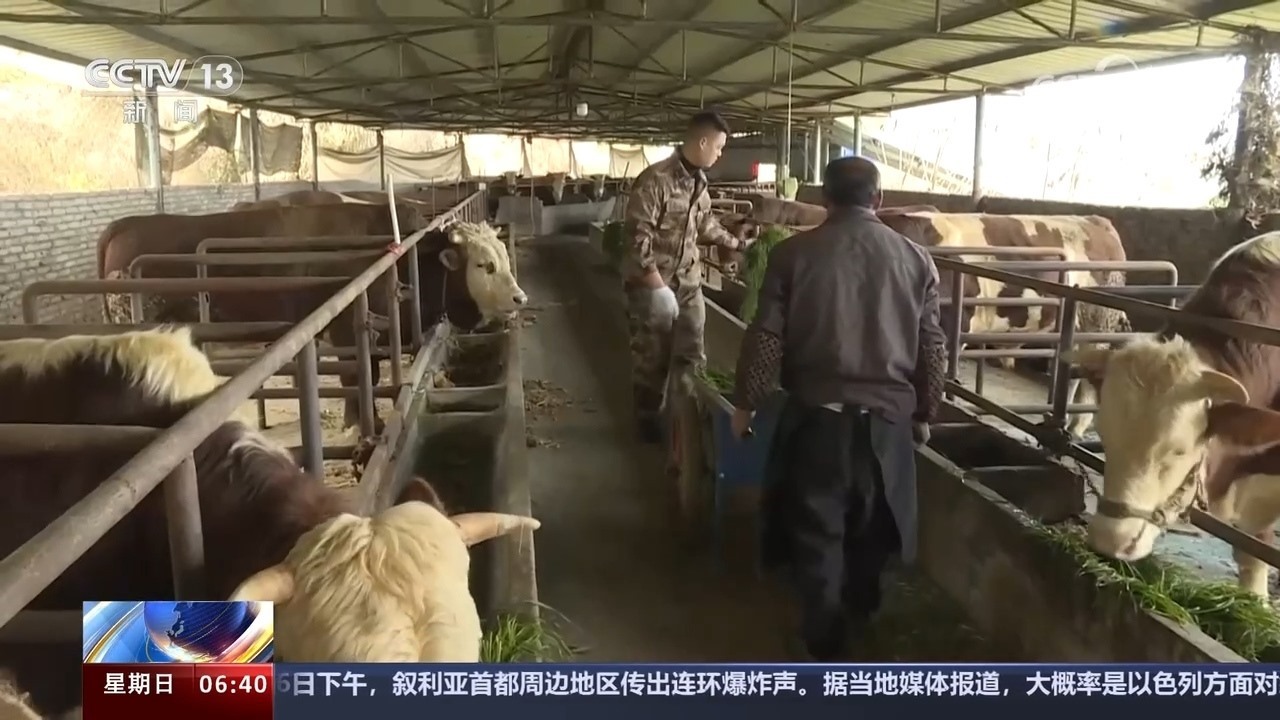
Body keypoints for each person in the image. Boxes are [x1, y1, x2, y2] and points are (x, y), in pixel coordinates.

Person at [730, 156, 947, 660]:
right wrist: (925, 413)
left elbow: (766, 337)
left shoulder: (792, 254)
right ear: (879, 200)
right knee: (873, 532)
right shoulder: (917, 260)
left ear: (825, 199)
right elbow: (932, 346)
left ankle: (824, 644)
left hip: (817, 422)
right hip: (886, 426)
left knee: (817, 533)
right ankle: (861, 626)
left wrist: (746, 403)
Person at [622, 110, 757, 443]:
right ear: (703, 142)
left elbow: (705, 224)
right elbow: (637, 236)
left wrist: (737, 243)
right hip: (653, 286)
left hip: (689, 283)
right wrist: (656, 285)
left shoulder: (700, 182)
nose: (720, 154)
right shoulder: (656, 180)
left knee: (693, 354)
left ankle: (686, 420)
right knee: (653, 359)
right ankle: (647, 422)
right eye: (719, 147)